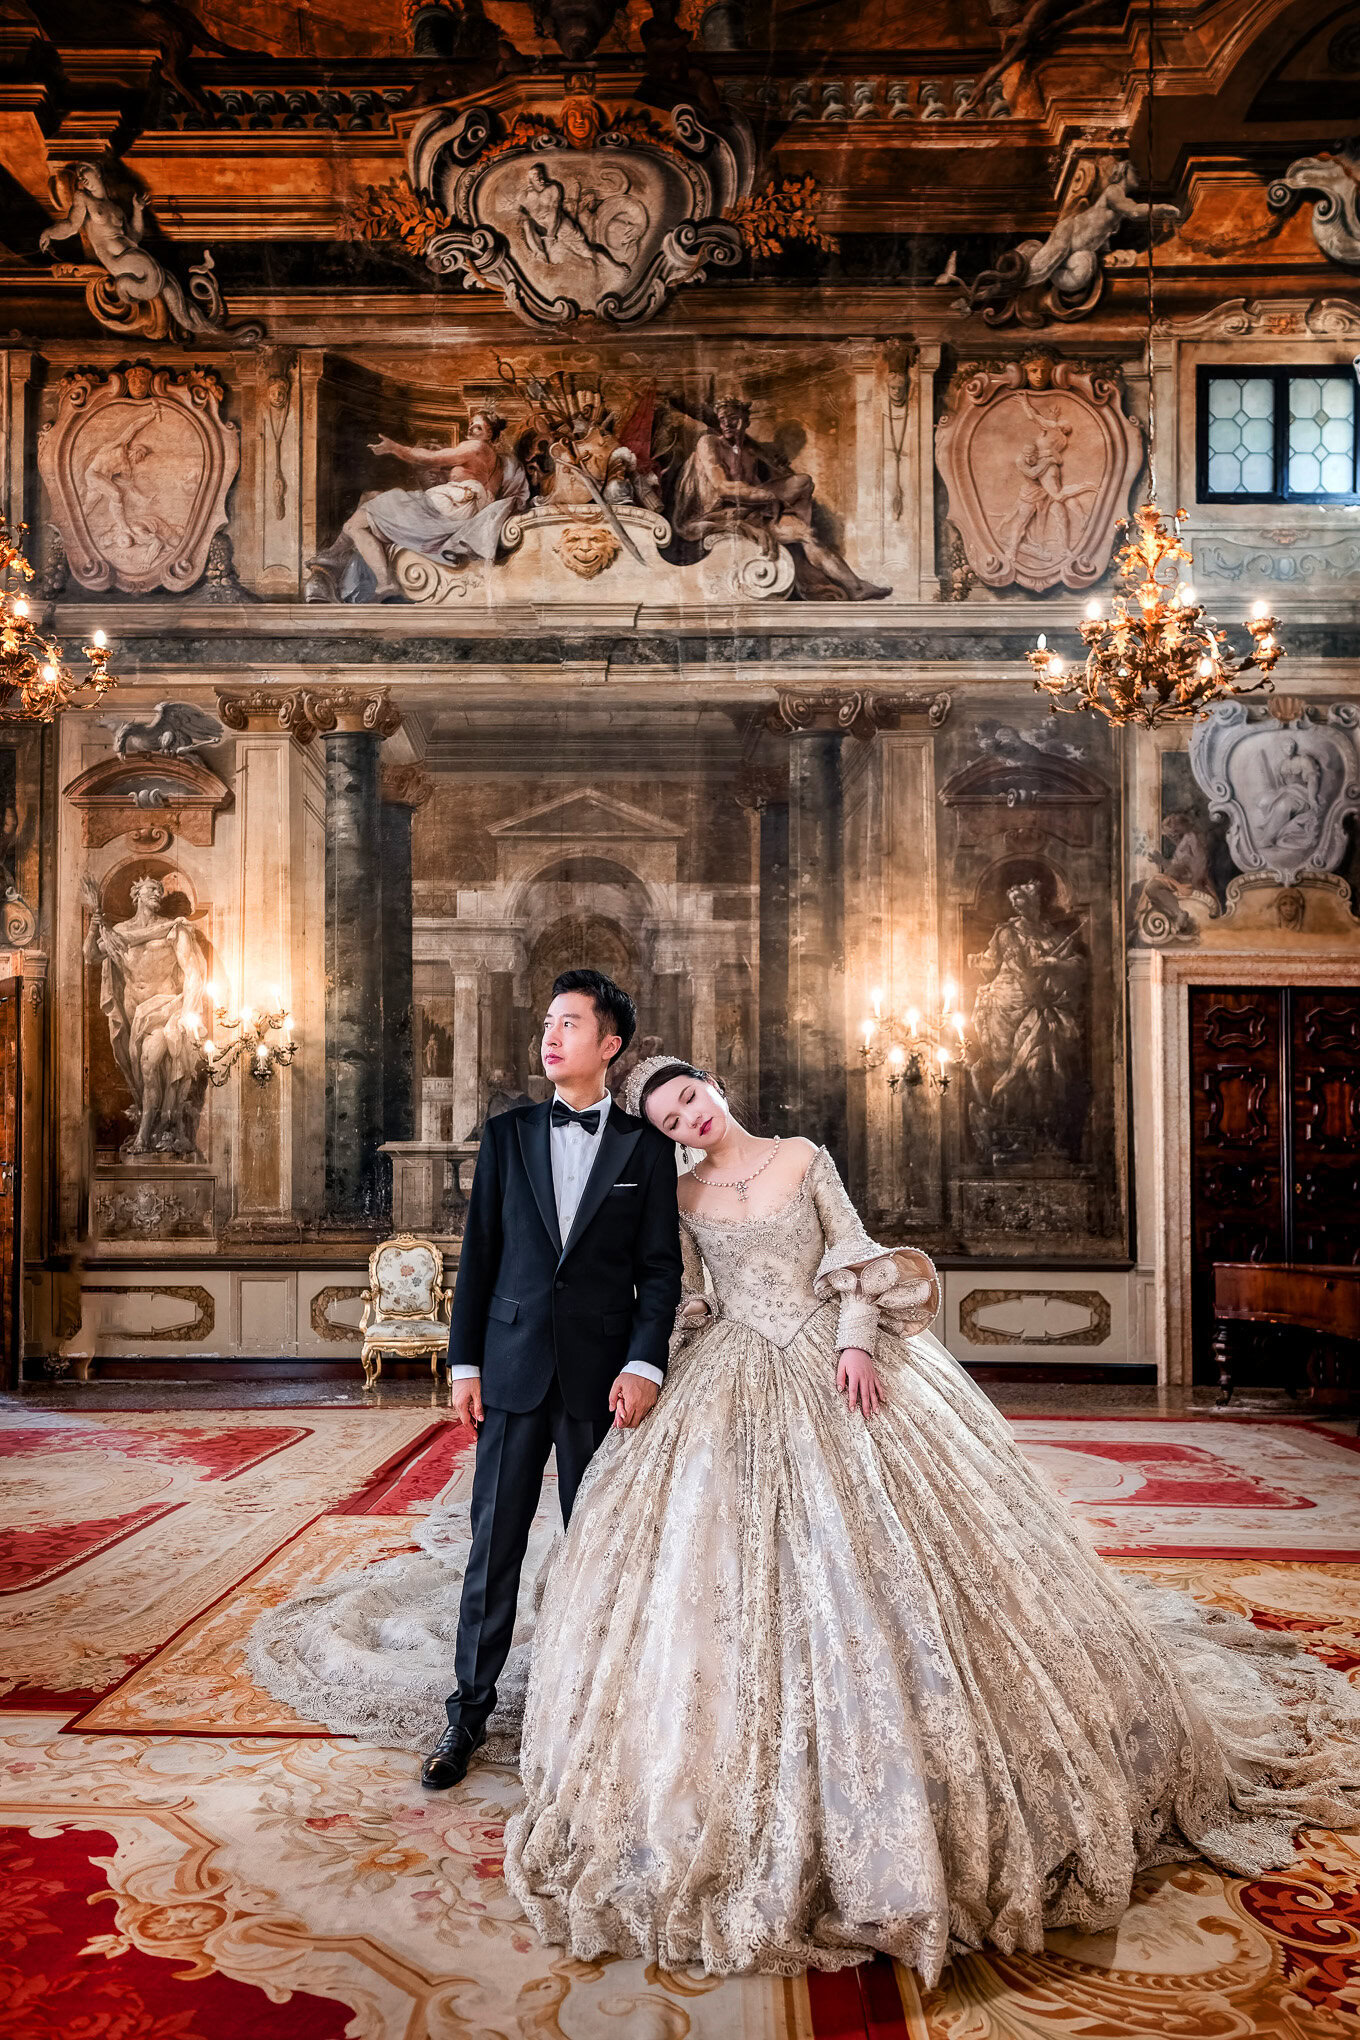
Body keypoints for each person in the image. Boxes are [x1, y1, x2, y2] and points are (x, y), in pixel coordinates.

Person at [249, 1056, 1360, 1987]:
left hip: (838, 1370)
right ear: (664, 1134)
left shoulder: (805, 1160)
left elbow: (855, 1256)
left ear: (716, 1087)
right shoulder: (676, 1200)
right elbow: (680, 1298)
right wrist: (648, 1369)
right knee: (707, 1572)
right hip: (729, 1376)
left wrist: (853, 1338)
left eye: (690, 1096)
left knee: (899, 1563)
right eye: (667, 1113)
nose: (687, 1115)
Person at [421, 971, 680, 1789]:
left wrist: (644, 1364)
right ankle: (466, 1715)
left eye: (570, 1023)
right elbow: (482, 1257)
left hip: (603, 1381)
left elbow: (660, 1273)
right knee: (492, 1547)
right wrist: (466, 1363)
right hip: (510, 1369)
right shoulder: (507, 1135)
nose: (551, 1034)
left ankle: (599, 1710)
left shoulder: (648, 1147)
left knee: (596, 1546)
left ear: (609, 1044)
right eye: (547, 1021)